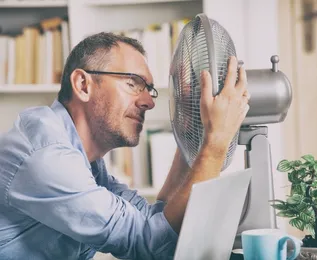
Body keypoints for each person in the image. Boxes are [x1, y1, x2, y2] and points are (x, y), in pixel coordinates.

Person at [0, 32, 250, 260]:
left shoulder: (86, 160)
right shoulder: (48, 156)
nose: (148, 103)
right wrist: (215, 141)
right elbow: (149, 245)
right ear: (83, 85)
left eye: (149, 90)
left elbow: (156, 221)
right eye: (133, 83)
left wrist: (191, 132)